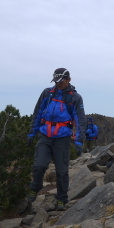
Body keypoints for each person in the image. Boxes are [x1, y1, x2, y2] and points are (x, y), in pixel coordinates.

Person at [27, 68, 86, 211]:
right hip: (45, 135)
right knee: (39, 166)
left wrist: (79, 141)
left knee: (61, 170)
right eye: (56, 81)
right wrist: (32, 133)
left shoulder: (75, 98)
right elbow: (38, 113)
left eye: (61, 81)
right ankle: (35, 188)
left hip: (62, 138)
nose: (58, 84)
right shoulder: (47, 93)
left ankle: (61, 199)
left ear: (68, 80)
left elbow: (80, 120)